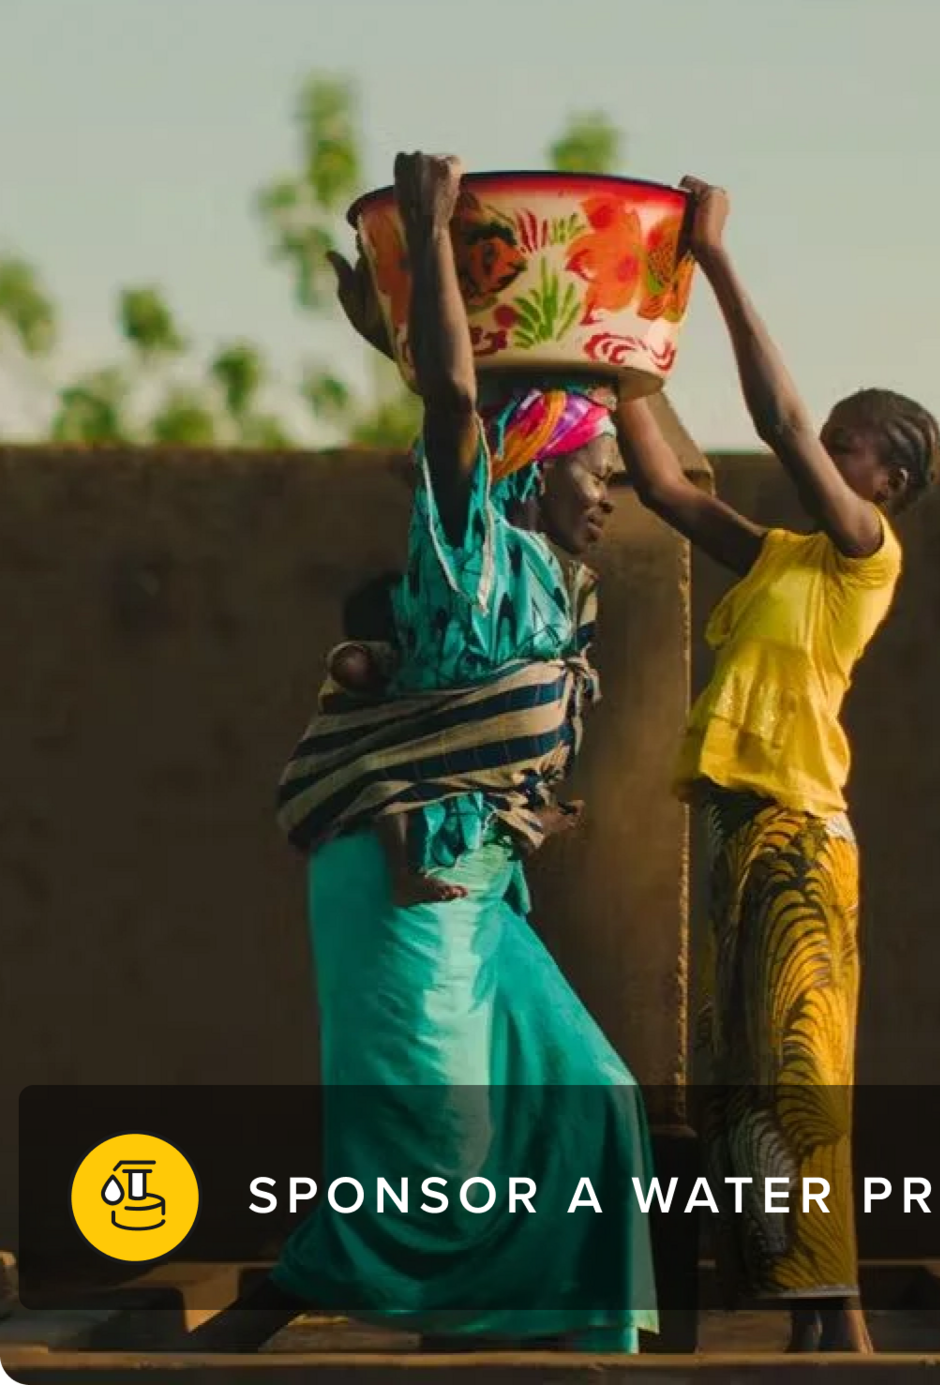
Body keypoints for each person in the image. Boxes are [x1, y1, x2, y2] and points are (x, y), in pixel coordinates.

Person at [186, 153, 657, 1355]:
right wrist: (433, 243)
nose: (609, 492)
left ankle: (555, 1337)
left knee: (592, 1101)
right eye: (596, 470)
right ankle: (236, 1337)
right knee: (430, 1162)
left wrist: (392, 334)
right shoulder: (474, 550)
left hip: (482, 889)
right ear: (539, 469)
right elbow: (457, 411)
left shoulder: (561, 584)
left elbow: (467, 403)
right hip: (406, 882)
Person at [616, 176, 940, 1353]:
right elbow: (664, 486)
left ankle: (838, 1323)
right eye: (832, 436)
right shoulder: (777, 560)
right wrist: (618, 359)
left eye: (846, 443)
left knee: (800, 1088)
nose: (823, 449)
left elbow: (777, 425)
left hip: (798, 837)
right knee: (745, 1089)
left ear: (885, 483)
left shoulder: (863, 556)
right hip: (737, 833)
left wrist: (713, 261)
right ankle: (811, 1326)